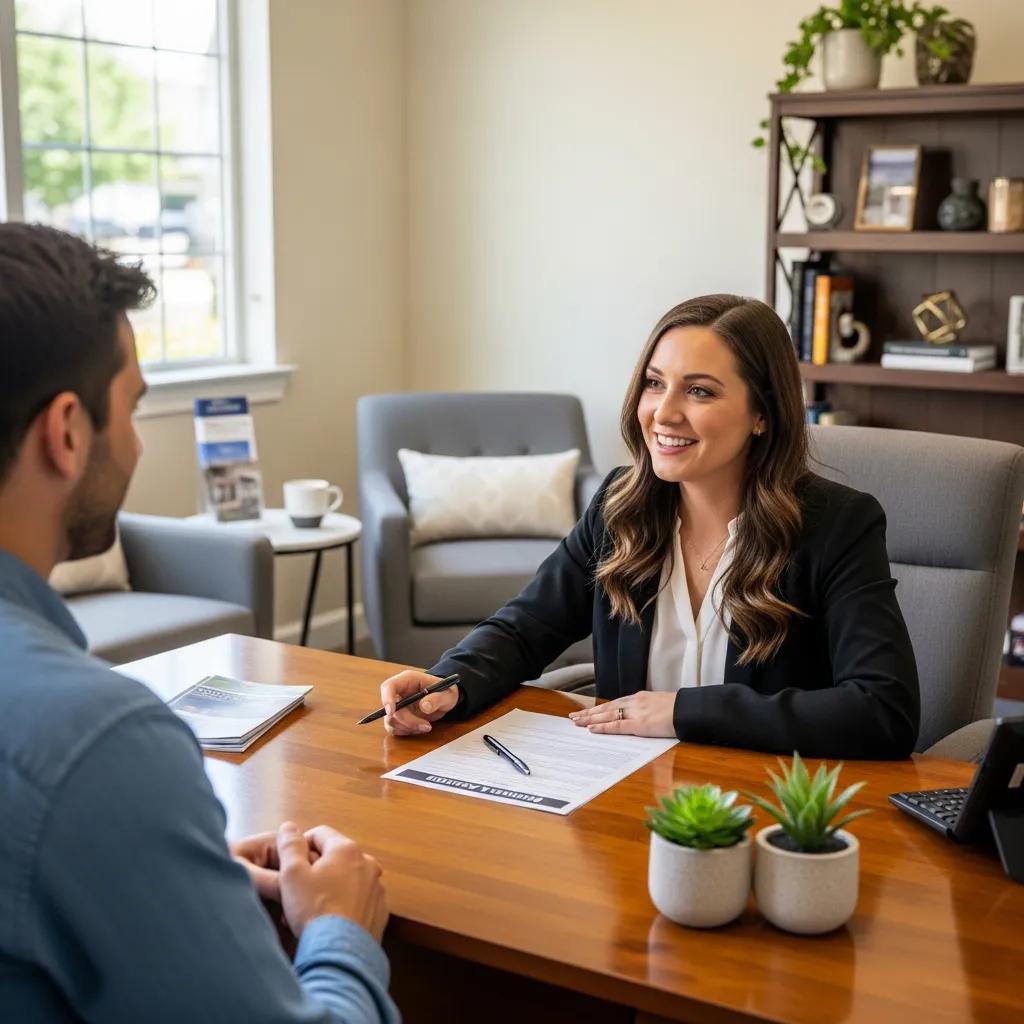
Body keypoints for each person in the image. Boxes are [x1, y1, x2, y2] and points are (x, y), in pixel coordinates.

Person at [0, 223, 400, 1023]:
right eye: (135, 409)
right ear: (69, 431)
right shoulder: (99, 741)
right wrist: (340, 931)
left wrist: (167, 869)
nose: (140, 444)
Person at [380, 294, 920, 759]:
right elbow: (523, 629)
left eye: (701, 391)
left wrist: (683, 712)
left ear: (764, 414)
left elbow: (883, 709)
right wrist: (448, 681)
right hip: (621, 798)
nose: (663, 412)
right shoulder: (621, 507)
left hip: (762, 804)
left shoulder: (837, 525)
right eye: (655, 384)